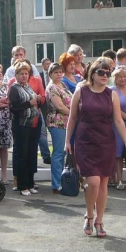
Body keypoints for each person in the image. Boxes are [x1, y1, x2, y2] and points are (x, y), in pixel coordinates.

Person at [65, 58, 126, 237]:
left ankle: (99, 220)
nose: (105, 76)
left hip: (105, 141)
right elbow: (72, 118)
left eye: (107, 73)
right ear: (92, 74)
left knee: (103, 182)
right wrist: (67, 141)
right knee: (93, 181)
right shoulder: (81, 91)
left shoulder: (111, 95)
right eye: (101, 72)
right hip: (85, 140)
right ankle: (89, 215)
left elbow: (118, 120)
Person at [9, 62, 41, 196]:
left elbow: (35, 101)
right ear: (16, 75)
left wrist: (37, 99)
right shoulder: (14, 88)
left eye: (26, 73)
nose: (24, 76)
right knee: (22, 154)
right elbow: (13, 108)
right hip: (21, 125)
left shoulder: (28, 86)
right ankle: (22, 185)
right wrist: (29, 103)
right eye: (21, 74)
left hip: (33, 124)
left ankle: (30, 183)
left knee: (32, 154)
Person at [45, 62, 72, 193]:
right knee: (58, 154)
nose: (59, 74)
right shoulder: (52, 88)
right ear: (50, 74)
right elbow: (60, 107)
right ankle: (56, 184)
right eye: (56, 72)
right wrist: (74, 114)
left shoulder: (63, 84)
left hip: (67, 122)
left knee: (65, 153)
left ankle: (65, 181)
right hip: (57, 123)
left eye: (60, 71)